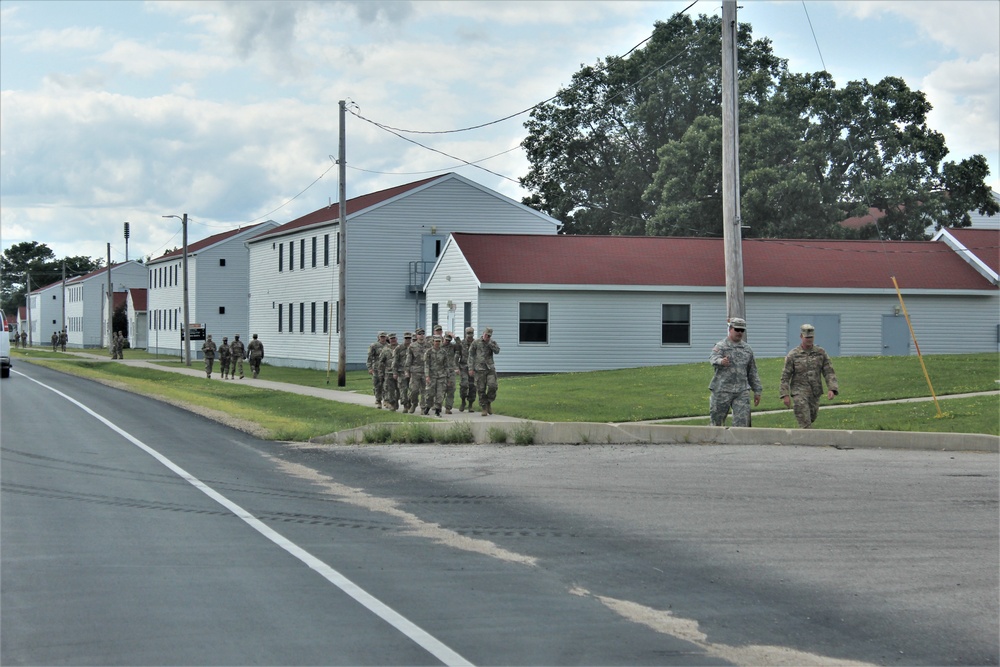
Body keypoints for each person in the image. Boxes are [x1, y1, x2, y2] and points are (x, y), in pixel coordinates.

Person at [780, 323, 840, 429]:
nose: (809, 339)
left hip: (815, 393)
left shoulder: (820, 353)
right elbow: (785, 376)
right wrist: (785, 394)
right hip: (799, 392)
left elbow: (829, 371)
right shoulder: (793, 354)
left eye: (811, 337)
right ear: (801, 337)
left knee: (811, 417)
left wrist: (832, 388)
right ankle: (807, 443)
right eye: (806, 337)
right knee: (805, 422)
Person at [708, 317, 762, 427]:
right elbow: (713, 358)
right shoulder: (721, 346)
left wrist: (757, 390)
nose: (739, 332)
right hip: (722, 390)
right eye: (737, 329)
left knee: (742, 423)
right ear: (730, 329)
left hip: (741, 391)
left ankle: (738, 443)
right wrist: (721, 361)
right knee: (716, 421)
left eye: (742, 330)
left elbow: (752, 371)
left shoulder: (747, 349)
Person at [468, 327, 500, 416]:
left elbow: (497, 351)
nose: (487, 337)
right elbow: (471, 355)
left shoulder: (492, 342)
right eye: (486, 335)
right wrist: (470, 368)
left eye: (489, 335)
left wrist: (490, 343)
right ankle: (484, 407)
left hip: (490, 369)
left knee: (492, 386)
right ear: (483, 334)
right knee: (481, 389)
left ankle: (489, 401)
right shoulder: (476, 342)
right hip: (479, 369)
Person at [424, 334, 454, 417]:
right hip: (431, 375)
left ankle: (438, 410)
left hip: (441, 376)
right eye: (436, 341)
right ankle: (427, 407)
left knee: (440, 394)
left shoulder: (443, 352)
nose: (437, 343)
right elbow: (426, 365)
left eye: (439, 341)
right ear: (433, 342)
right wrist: (427, 376)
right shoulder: (429, 352)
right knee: (430, 393)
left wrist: (448, 378)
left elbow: (446, 365)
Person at [405, 328, 428, 414]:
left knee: (425, 391)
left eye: (422, 334)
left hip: (426, 371)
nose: (421, 335)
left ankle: (423, 407)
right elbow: (408, 359)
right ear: (416, 336)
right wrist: (407, 370)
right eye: (419, 334)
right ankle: (414, 404)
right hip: (415, 371)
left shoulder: (428, 345)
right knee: (414, 390)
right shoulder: (412, 346)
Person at [442, 331, 462, 414]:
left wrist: (454, 336)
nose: (447, 342)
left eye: (449, 340)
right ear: (443, 339)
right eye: (446, 340)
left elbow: (460, 345)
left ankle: (448, 408)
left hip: (451, 370)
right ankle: (437, 405)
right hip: (441, 371)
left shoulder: (452, 346)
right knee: (441, 390)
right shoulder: (438, 345)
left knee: (451, 389)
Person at [379, 333, 400, 411]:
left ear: (396, 339)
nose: (393, 340)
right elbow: (381, 362)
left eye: (394, 338)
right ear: (389, 340)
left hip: (399, 372)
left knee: (399, 389)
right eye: (391, 339)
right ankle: (392, 403)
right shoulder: (385, 349)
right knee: (390, 390)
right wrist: (381, 373)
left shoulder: (400, 348)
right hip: (388, 372)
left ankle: (396, 400)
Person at [367, 331, 388, 407]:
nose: (383, 338)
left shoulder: (388, 346)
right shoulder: (374, 346)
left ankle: (386, 400)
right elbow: (369, 358)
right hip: (376, 368)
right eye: (381, 337)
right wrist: (369, 368)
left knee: (386, 385)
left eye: (384, 337)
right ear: (378, 337)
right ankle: (378, 400)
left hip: (386, 368)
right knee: (377, 384)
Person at [458, 326, 476, 412]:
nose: (470, 336)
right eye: (468, 334)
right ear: (465, 333)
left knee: (472, 386)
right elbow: (457, 356)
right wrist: (456, 367)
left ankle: (470, 404)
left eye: (471, 334)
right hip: (463, 367)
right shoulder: (461, 343)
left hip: (473, 367)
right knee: (464, 384)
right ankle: (463, 401)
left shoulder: (476, 343)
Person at [395, 332, 413, 412]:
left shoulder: (413, 347)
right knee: (403, 389)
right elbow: (395, 361)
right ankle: (405, 405)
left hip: (412, 372)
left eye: (409, 338)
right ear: (404, 339)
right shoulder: (399, 348)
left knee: (413, 390)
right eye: (406, 338)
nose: (408, 340)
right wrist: (395, 372)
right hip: (401, 372)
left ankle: (410, 402)